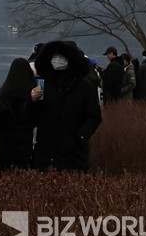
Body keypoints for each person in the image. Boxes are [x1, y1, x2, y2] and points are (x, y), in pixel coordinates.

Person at [28, 40, 103, 172]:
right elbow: (32, 116)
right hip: (45, 150)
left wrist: (80, 135)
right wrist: (31, 101)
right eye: (54, 55)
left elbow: (94, 117)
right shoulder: (42, 84)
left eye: (61, 56)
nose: (57, 59)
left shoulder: (86, 87)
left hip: (74, 152)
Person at [0, 58, 37, 171]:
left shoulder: (3, 98)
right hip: (24, 150)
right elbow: (35, 120)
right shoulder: (31, 99)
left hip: (3, 150)